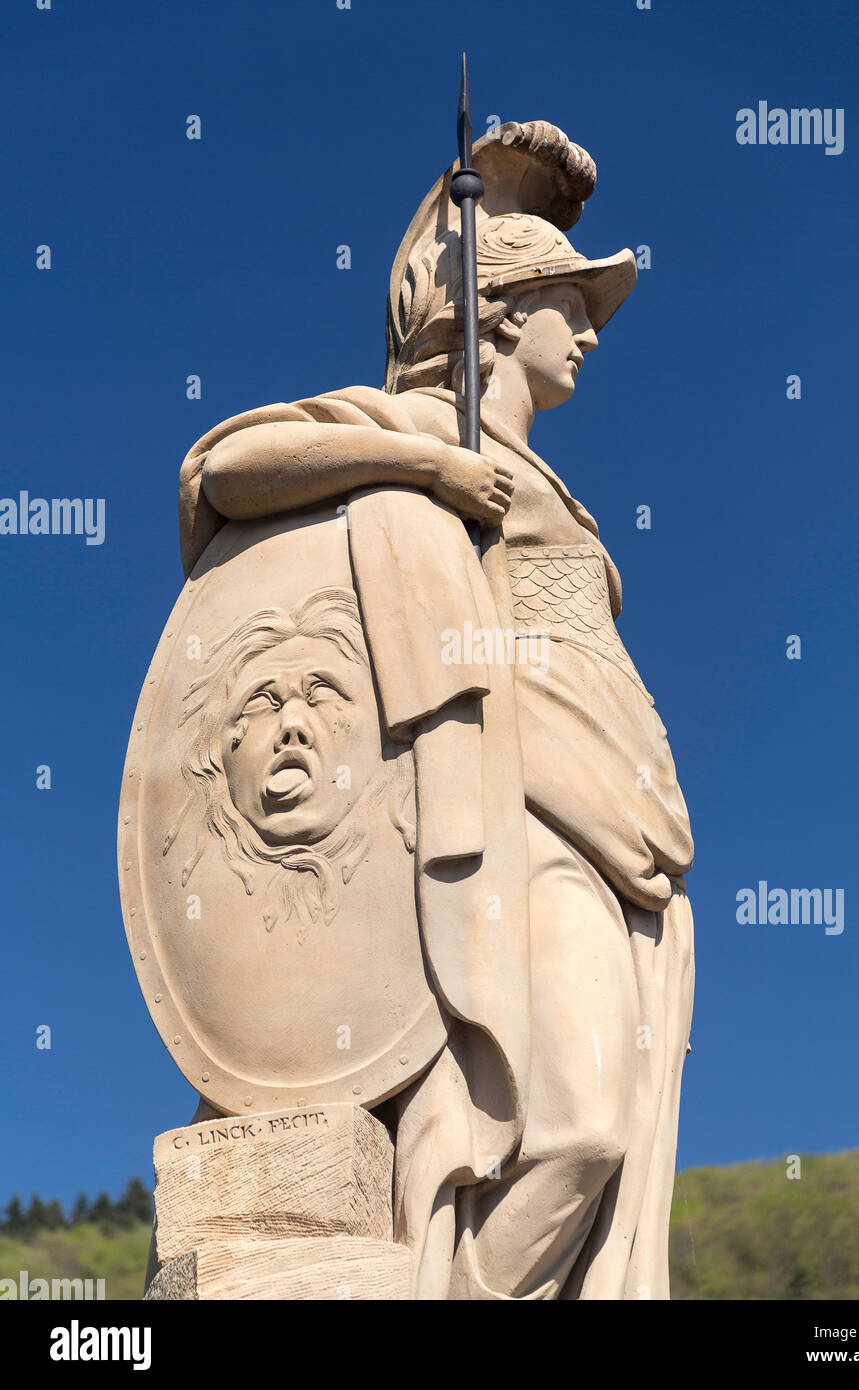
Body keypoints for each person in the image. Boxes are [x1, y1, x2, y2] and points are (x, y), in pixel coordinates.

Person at [175, 121, 696, 1299]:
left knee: (605, 1166)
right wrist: (427, 473)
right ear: (504, 315)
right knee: (571, 1130)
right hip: (528, 821)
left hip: (629, 847)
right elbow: (228, 468)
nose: (594, 330)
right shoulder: (432, 432)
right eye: (576, 301)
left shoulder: (556, 479)